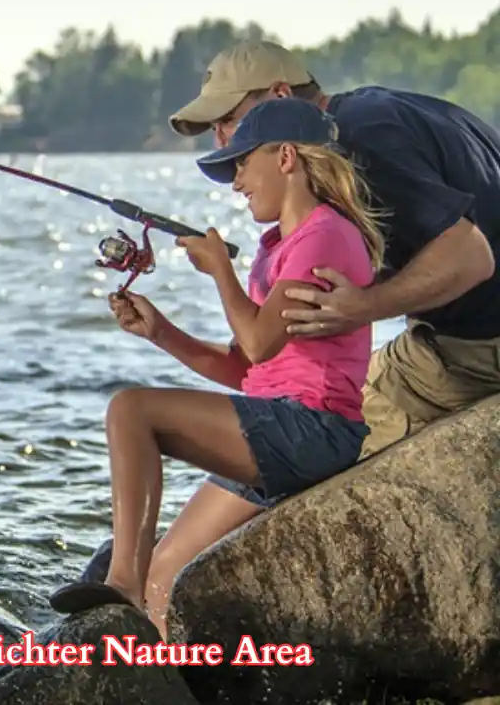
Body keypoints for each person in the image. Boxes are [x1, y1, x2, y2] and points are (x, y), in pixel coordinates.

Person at [48, 98, 386, 639]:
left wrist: (221, 274)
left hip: (313, 430)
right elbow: (247, 372)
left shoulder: (325, 234)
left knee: (131, 410)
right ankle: (151, 666)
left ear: (286, 158)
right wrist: (161, 332)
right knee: (164, 574)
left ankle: (120, 581)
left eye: (242, 163)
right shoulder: (277, 248)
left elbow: (256, 343)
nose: (236, 182)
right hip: (277, 423)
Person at [169, 40, 500, 460]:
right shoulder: (371, 112)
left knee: (326, 434)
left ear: (280, 96)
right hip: (462, 336)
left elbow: (471, 256)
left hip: (478, 347)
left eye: (229, 119)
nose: (221, 141)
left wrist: (363, 305)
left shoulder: (358, 140)